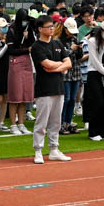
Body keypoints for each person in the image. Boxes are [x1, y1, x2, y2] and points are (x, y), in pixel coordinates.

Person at [28, 15, 71, 164]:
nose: (52, 29)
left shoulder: (57, 43)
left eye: (52, 26)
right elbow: (47, 64)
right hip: (44, 89)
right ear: (40, 29)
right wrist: (60, 66)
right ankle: (38, 150)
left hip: (58, 87)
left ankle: (54, 149)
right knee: (42, 122)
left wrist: (56, 67)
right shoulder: (36, 47)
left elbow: (68, 63)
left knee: (56, 121)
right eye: (49, 27)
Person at [83, 19, 104, 141]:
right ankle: (93, 132)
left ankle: (103, 132)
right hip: (94, 74)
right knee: (97, 102)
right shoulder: (92, 41)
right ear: (101, 31)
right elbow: (95, 62)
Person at [5, 10, 35, 135]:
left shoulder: (28, 29)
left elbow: (33, 44)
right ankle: (13, 124)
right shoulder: (11, 30)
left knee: (24, 97)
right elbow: (11, 50)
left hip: (27, 63)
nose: (25, 22)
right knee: (15, 96)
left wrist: (28, 37)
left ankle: (21, 124)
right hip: (16, 63)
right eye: (23, 20)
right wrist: (25, 49)